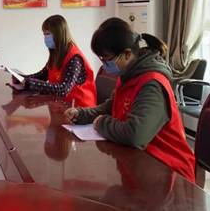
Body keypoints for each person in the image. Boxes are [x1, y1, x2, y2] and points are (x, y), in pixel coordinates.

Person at [64, 17, 195, 182]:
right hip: (140, 163)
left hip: (169, 173)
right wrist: (82, 114)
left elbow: (136, 135)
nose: (104, 65)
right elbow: (112, 106)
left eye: (106, 59)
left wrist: (101, 123)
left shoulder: (152, 84)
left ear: (126, 54)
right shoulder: (128, 75)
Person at [20, 15, 97, 107]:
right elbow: (42, 75)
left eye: (47, 34)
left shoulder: (74, 58)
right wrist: (21, 78)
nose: (45, 38)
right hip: (62, 105)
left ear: (58, 34)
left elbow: (63, 89)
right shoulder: (56, 53)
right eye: (44, 34)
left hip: (80, 108)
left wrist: (32, 84)